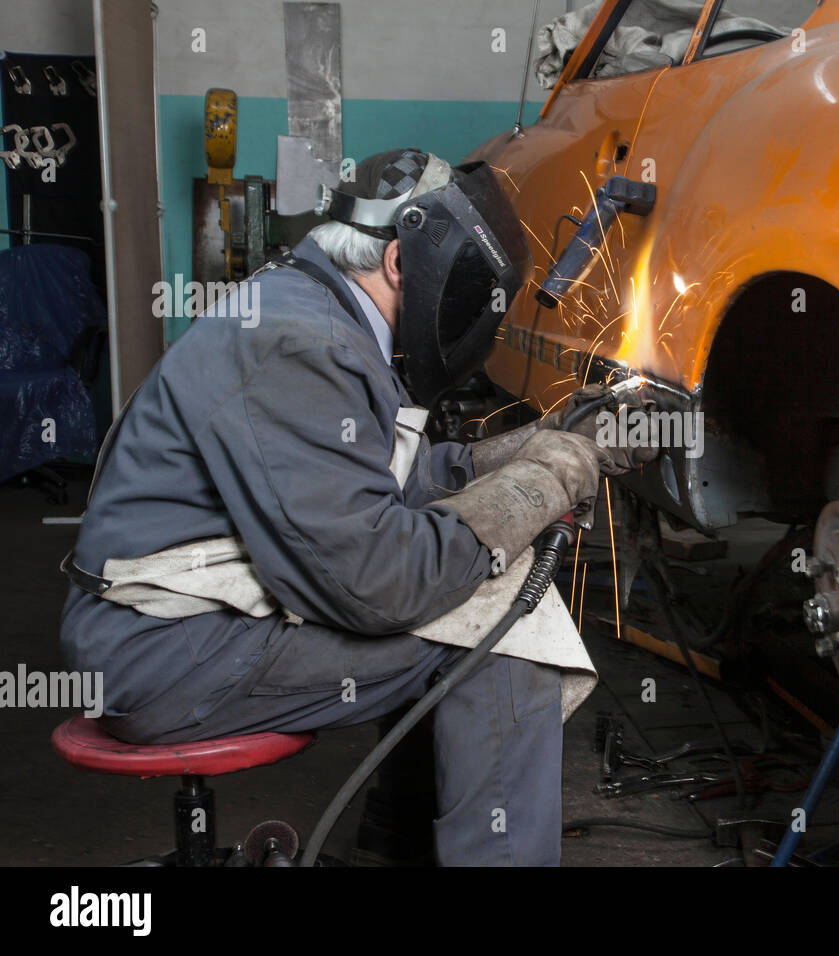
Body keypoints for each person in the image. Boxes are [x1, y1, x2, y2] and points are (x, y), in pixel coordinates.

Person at [59, 148, 653, 866]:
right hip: (163, 653)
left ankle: (396, 847)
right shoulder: (298, 342)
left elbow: (382, 484)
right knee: (507, 626)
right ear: (401, 261)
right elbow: (378, 583)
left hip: (166, 631)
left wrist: (539, 442)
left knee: (469, 591)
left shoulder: (307, 308)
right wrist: (551, 477)